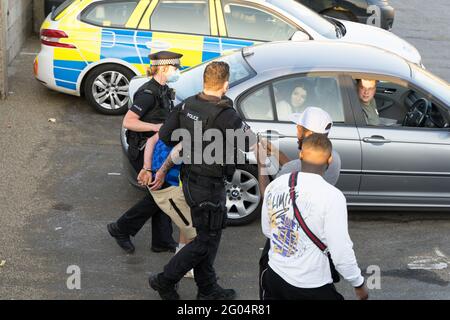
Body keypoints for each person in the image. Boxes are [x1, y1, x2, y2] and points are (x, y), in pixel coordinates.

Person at [149, 61, 255, 300]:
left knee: (208, 236)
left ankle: (207, 288)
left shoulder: (187, 104)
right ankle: (165, 280)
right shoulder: (226, 114)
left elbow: (165, 135)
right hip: (209, 185)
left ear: (204, 82)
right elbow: (249, 142)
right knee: (206, 241)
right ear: (226, 85)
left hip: (189, 181)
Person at [261, 134, 368, 300]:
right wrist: (358, 283)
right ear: (330, 159)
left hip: (275, 276)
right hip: (310, 284)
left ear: (301, 155)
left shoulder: (275, 185)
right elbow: (341, 251)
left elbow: (268, 230)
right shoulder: (333, 196)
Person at [256, 106, 341, 299]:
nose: (296, 131)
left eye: (299, 128)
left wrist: (262, 163)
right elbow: (298, 169)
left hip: (286, 245)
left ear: (308, 133)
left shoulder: (290, 171)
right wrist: (276, 152)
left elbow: (266, 194)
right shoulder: (334, 160)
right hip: (315, 246)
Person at [107, 51, 182, 254]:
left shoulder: (164, 90)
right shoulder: (148, 93)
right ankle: (121, 228)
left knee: (162, 192)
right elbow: (129, 121)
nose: (179, 71)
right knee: (161, 192)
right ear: (165, 68)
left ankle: (161, 241)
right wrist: (155, 127)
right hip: (143, 149)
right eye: (176, 68)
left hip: (158, 149)